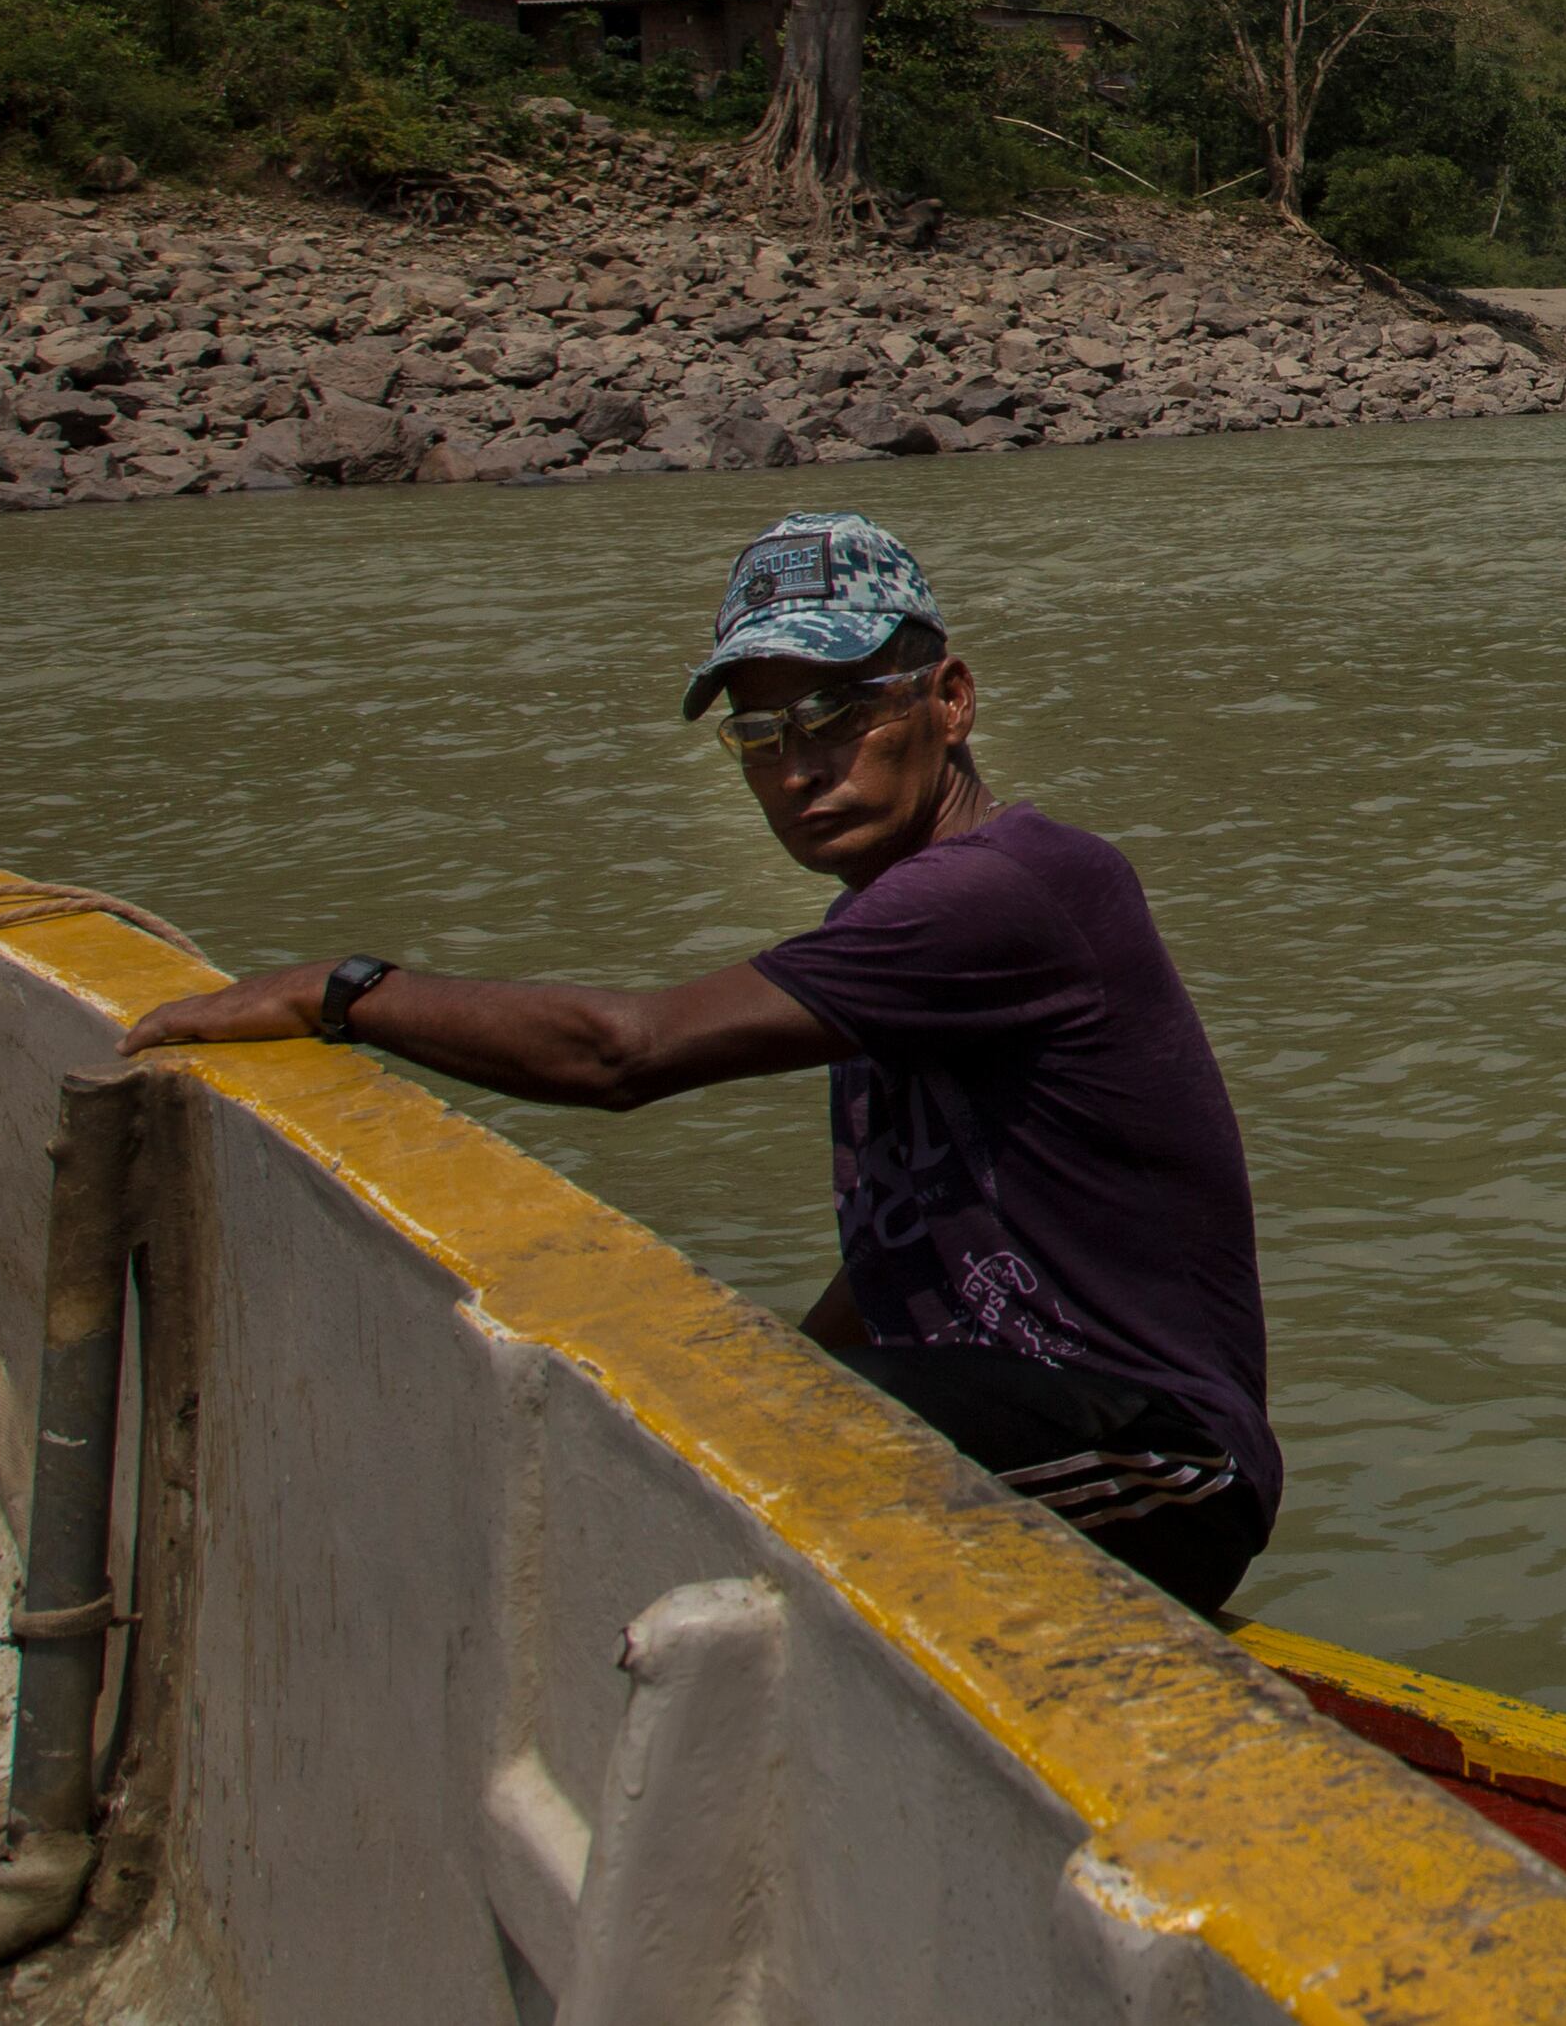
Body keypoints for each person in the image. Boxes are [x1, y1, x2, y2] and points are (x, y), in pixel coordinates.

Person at [121, 509, 1279, 1613]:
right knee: (698, 1407)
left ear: (951, 701)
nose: (796, 770)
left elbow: (624, 1054)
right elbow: (911, 1244)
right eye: (761, 735)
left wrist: (347, 994)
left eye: (837, 714)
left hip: (1163, 1463)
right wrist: (777, 1355)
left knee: (682, 1450)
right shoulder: (889, 925)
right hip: (1018, 1418)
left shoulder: (1003, 892)